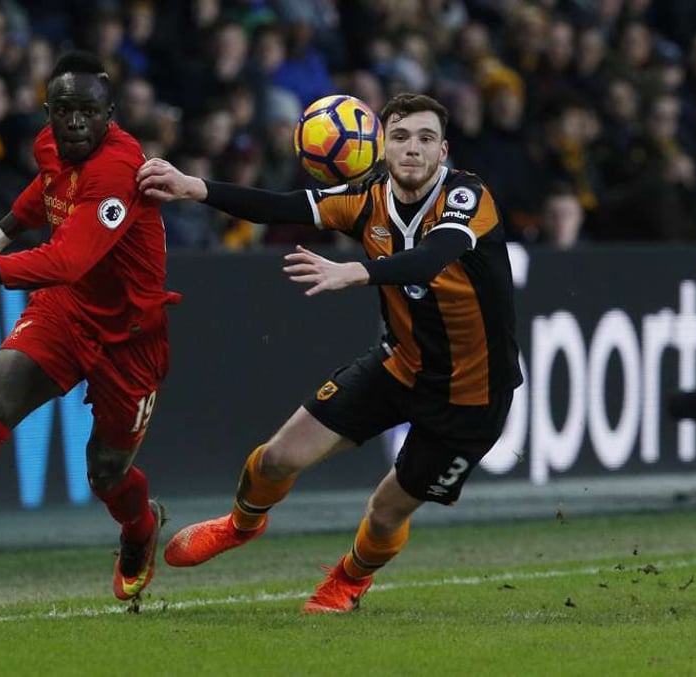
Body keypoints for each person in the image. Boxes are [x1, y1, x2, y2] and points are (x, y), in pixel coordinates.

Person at [137, 93, 522, 613]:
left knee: (385, 511)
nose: (413, 149)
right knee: (276, 458)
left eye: (426, 139)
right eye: (402, 137)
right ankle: (240, 525)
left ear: (443, 150)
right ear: (382, 146)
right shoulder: (367, 198)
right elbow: (282, 204)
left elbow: (430, 259)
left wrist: (355, 271)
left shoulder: (467, 198)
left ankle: (348, 581)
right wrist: (194, 188)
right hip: (397, 366)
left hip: (470, 398)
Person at [0, 51, 178, 609]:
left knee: (106, 473)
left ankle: (140, 529)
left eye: (87, 111)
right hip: (66, 311)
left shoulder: (118, 169)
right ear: (48, 111)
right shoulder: (50, 145)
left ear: (109, 114)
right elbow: (40, 193)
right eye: (63, 110)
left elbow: (66, 259)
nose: (73, 122)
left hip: (130, 336)